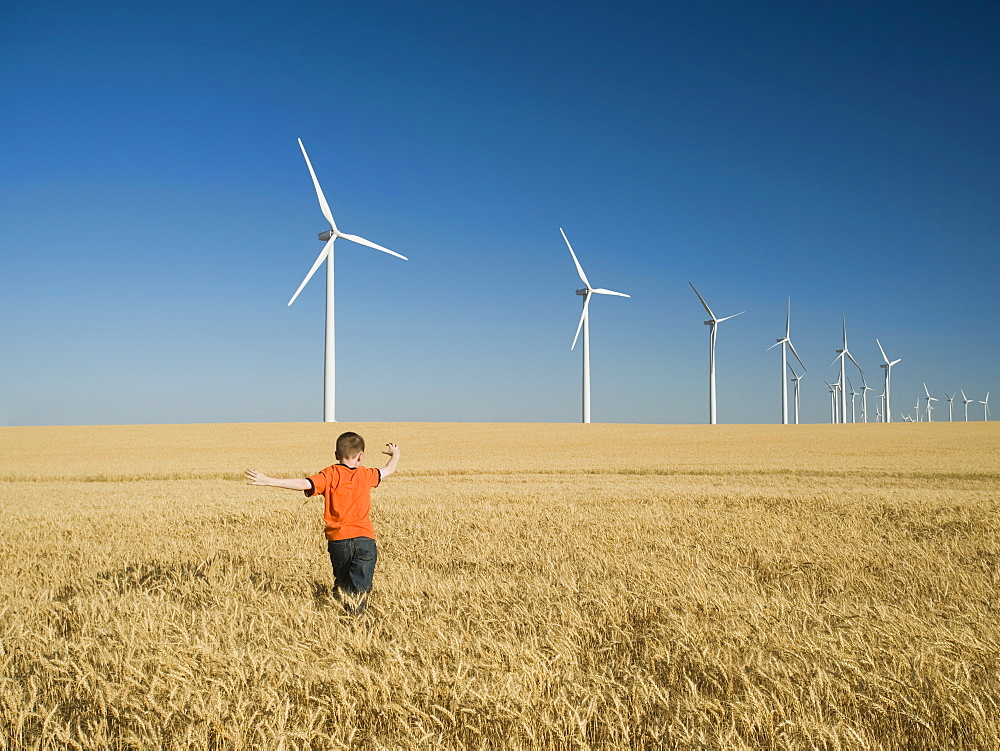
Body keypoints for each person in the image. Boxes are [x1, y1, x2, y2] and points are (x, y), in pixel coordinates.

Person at [245, 431, 400, 614]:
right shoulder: (366, 474)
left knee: (343, 585)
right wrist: (395, 454)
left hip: (339, 541)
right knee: (360, 588)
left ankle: (338, 618)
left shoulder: (330, 474)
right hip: (365, 539)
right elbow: (389, 469)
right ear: (361, 456)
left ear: (336, 455)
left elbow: (304, 484)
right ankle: (356, 625)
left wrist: (269, 480)